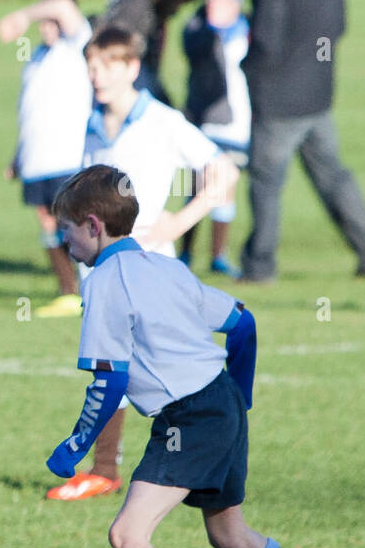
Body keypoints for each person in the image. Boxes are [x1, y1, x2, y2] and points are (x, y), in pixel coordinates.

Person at [46, 165, 365, 548]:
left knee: (128, 534)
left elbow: (109, 380)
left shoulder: (104, 280)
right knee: (229, 533)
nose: (64, 239)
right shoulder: (164, 267)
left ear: (94, 225)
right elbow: (242, 321)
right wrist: (241, 396)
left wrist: (75, 445)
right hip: (219, 404)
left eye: (68, 228)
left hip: (188, 418)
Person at [48, 26, 239, 503]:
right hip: (104, 267)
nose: (95, 76)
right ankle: (108, 469)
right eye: (90, 66)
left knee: (140, 368)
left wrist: (181, 221)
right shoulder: (90, 121)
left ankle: (160, 465)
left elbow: (224, 169)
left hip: (151, 265)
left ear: (132, 67)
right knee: (111, 366)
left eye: (105, 66)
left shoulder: (161, 120)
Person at [237, 0, 365, 282]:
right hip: (319, 93)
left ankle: (259, 267)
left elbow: (266, 42)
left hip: (279, 101)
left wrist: (248, 70)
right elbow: (339, 26)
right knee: (333, 177)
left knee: (265, 183)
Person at [0, 0, 93, 317]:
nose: (46, 26)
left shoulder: (77, 46)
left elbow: (65, 4)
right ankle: (68, 291)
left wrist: (23, 15)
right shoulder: (36, 57)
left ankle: (92, 288)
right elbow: (31, 109)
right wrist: (18, 155)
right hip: (36, 156)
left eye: (50, 19)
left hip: (67, 154)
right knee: (48, 222)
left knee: (77, 221)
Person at [181, 0, 251, 276]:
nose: (215, 5)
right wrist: (214, 29)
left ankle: (218, 256)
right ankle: (184, 252)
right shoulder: (198, 30)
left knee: (226, 186)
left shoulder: (249, 28)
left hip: (239, 122)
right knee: (198, 186)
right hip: (206, 121)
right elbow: (196, 52)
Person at [96, 0, 207, 105]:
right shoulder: (134, 9)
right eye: (180, 3)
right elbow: (112, 56)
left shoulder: (154, 6)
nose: (176, 11)